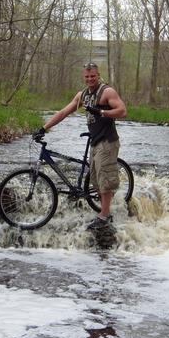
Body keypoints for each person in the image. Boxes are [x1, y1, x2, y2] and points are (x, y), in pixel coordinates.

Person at [33, 62, 127, 229]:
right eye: (87, 76)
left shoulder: (106, 92)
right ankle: (103, 210)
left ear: (98, 76)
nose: (90, 79)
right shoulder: (82, 95)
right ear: (83, 77)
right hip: (95, 140)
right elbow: (63, 112)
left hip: (108, 140)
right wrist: (44, 128)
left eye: (93, 76)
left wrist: (102, 112)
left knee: (104, 178)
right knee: (96, 180)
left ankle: (105, 216)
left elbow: (122, 111)